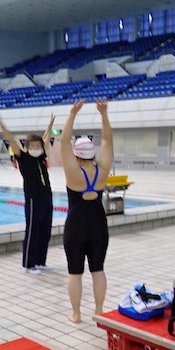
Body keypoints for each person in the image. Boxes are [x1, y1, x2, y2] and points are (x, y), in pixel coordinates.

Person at [60, 99, 112, 323]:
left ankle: (76, 313)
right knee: (98, 270)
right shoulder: (103, 169)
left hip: (76, 225)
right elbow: (108, 140)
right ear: (92, 154)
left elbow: (62, 141)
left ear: (77, 155)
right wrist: (103, 114)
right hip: (98, 224)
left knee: (75, 272)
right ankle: (99, 310)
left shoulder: (73, 171)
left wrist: (73, 113)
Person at [0, 111, 55, 275]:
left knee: (45, 229)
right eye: (32, 146)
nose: (35, 148)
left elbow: (46, 138)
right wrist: (0, 122)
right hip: (33, 198)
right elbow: (10, 139)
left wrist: (50, 125)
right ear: (27, 147)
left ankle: (40, 261)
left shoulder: (41, 156)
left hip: (47, 196)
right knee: (33, 230)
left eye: (37, 146)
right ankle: (29, 264)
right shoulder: (23, 157)